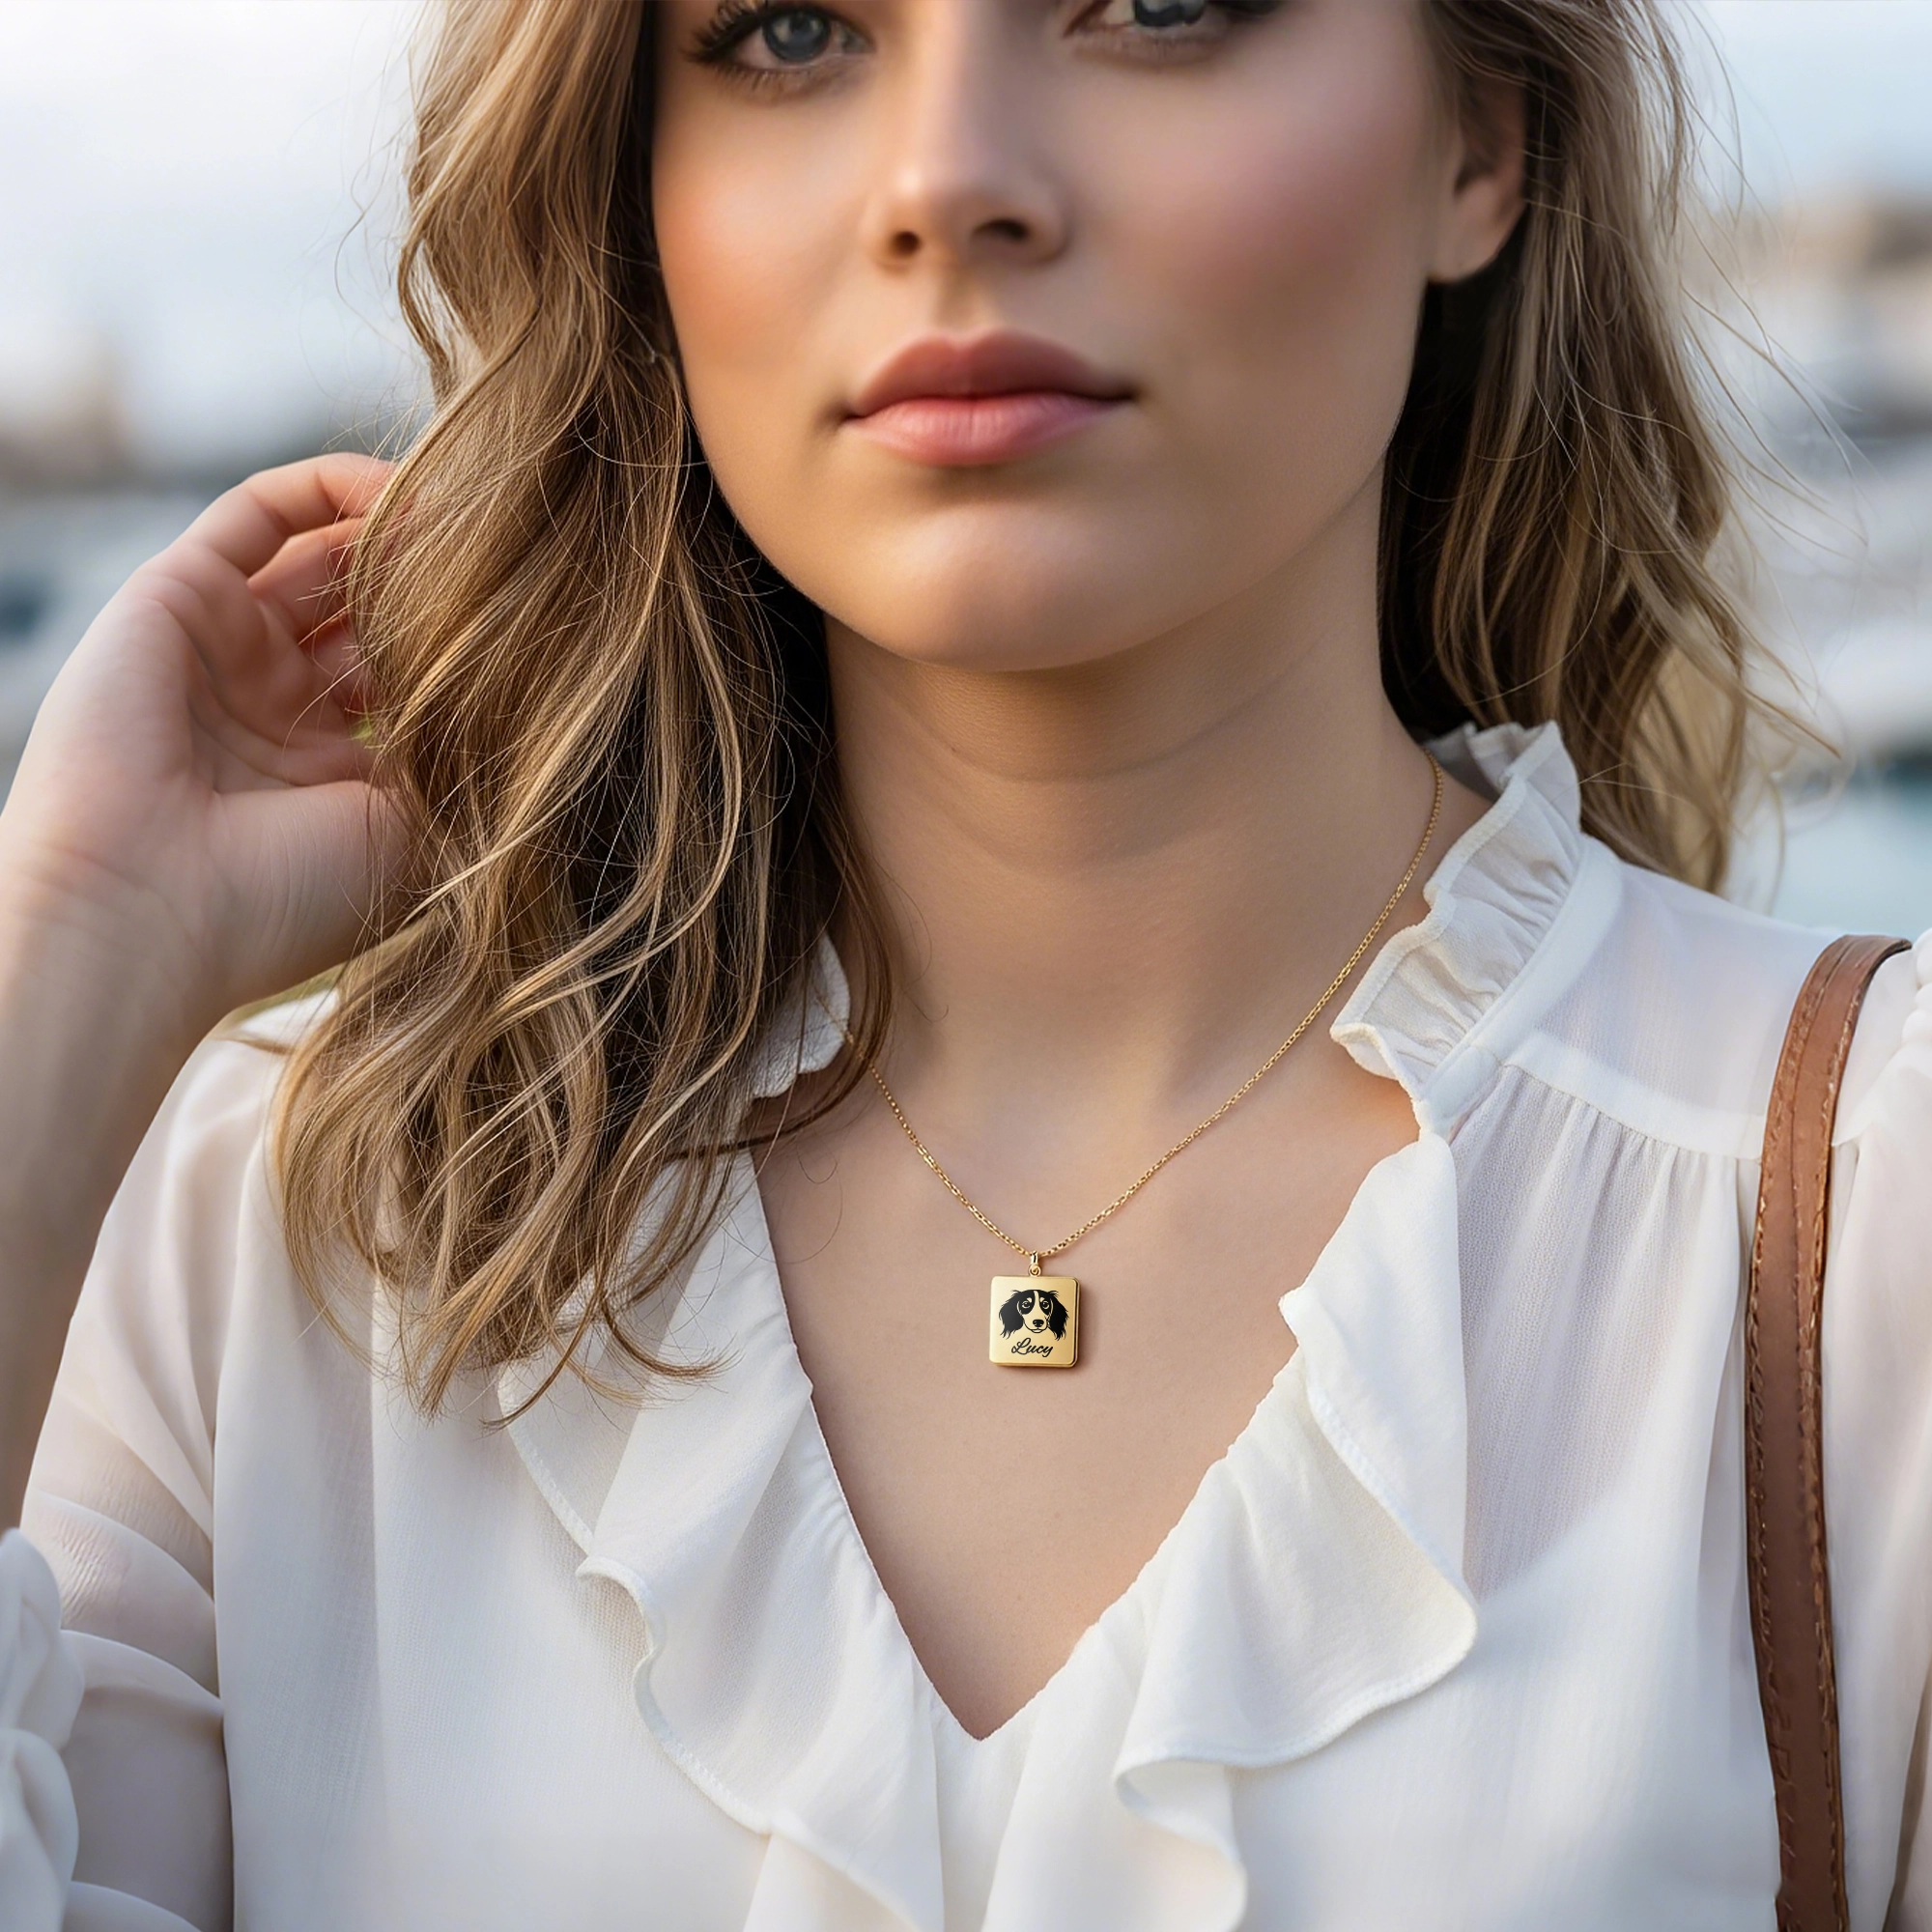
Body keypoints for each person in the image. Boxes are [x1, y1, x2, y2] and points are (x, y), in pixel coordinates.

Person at [1, 0, 1927, 1926]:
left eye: (1156, 6)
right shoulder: (277, 1230)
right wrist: (65, 977)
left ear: (1480, 142)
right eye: (786, 29)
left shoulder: (1862, 1229)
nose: (947, 184)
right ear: (633, 184)